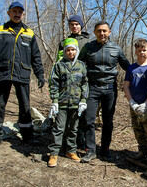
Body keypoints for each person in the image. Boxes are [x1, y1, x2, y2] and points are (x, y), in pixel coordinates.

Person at [0, 1, 45, 151]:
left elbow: (36, 56)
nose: (17, 14)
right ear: (8, 13)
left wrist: (40, 74)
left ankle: (27, 136)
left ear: (23, 14)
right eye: (14, 11)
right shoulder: (0, 30)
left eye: (19, 12)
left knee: (25, 105)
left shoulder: (29, 33)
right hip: (2, 72)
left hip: (22, 73)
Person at [78, 21, 130, 163]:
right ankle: (90, 150)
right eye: (99, 31)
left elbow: (127, 66)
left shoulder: (116, 48)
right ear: (94, 32)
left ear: (109, 32)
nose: (102, 33)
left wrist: (143, 72)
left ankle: (105, 149)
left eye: (104, 31)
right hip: (92, 88)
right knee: (88, 119)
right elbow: (79, 64)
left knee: (108, 121)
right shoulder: (88, 47)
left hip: (110, 89)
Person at [48, 38, 88, 167]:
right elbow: (54, 83)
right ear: (65, 51)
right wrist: (54, 101)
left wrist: (83, 100)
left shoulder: (81, 65)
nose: (71, 52)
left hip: (76, 104)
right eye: (68, 50)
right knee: (58, 128)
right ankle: (54, 153)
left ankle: (70, 151)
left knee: (73, 129)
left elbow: (85, 83)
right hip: (62, 103)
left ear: (77, 50)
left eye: (73, 50)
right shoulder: (59, 65)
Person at [56, 15, 89, 150]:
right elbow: (59, 61)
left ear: (81, 25)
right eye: (72, 24)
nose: (74, 26)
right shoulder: (63, 42)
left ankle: (80, 138)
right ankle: (65, 138)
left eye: (77, 24)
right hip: (66, 84)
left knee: (81, 113)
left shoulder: (87, 42)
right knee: (65, 112)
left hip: (82, 80)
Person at [124, 38, 147, 161]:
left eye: (144, 50)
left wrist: (146, 104)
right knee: (138, 129)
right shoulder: (131, 68)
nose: (142, 53)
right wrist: (132, 103)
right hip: (135, 106)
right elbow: (126, 86)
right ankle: (142, 152)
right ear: (135, 52)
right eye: (139, 50)